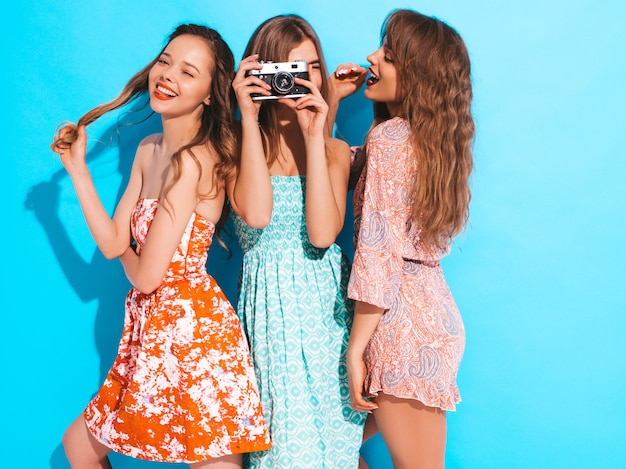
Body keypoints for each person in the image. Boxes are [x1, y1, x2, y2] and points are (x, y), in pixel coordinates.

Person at [50, 24, 270, 468]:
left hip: (194, 334)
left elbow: (147, 275)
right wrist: (76, 170)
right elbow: (114, 240)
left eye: (188, 72)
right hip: (152, 331)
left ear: (210, 93)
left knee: (212, 461)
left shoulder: (195, 159)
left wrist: (124, 253)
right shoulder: (149, 149)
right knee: (79, 446)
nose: (167, 75)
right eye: (166, 61)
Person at [329, 9, 474, 469]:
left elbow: (378, 250)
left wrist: (355, 351)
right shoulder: (419, 141)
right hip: (423, 315)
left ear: (417, 77)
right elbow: (339, 172)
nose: (371, 58)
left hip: (400, 327)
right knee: (327, 451)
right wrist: (329, 103)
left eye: (387, 56)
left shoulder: (392, 140)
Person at [227, 14, 366, 469]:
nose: (295, 82)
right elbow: (257, 214)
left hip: (328, 313)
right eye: (282, 71)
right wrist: (248, 118)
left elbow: (324, 235)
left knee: (338, 447)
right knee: (284, 453)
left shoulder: (332, 149)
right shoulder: (234, 147)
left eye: (307, 70)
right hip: (271, 315)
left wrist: (316, 133)